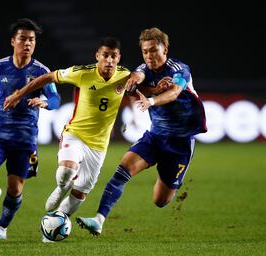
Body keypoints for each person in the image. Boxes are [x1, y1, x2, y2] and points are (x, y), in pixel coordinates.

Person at [75, 27, 207, 236]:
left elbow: (173, 93)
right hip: (155, 137)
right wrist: (133, 81)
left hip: (180, 143)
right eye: (145, 51)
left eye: (154, 50)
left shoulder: (180, 69)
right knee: (122, 170)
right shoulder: (144, 68)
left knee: (160, 201)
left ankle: (167, 176)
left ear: (165, 49)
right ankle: (98, 220)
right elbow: (137, 75)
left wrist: (152, 100)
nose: (149, 55)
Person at [3, 37, 130, 241]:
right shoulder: (82, 73)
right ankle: (61, 187)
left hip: (99, 146)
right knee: (67, 170)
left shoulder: (125, 76)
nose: (109, 60)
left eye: (113, 56)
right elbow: (48, 77)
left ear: (119, 58)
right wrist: (19, 94)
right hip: (76, 134)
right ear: (97, 56)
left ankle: (53, 228)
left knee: (80, 194)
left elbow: (137, 88)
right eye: (105, 55)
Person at [0, 18, 60, 240]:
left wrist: (46, 103)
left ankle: (1, 228)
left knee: (15, 189)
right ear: (13, 41)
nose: (28, 43)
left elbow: (55, 98)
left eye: (32, 40)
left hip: (25, 139)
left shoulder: (41, 71)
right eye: (23, 39)